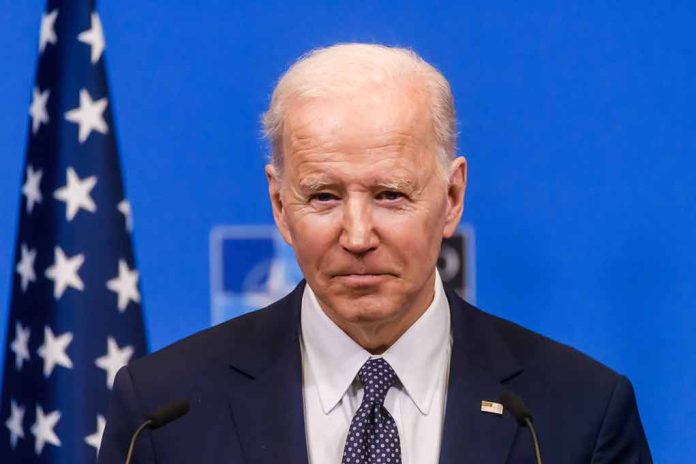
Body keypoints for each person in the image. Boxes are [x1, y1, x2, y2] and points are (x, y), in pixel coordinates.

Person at [98, 43, 651, 463]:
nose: (358, 236)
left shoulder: (577, 414)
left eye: (390, 195)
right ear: (279, 204)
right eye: (323, 196)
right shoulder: (163, 413)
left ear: (452, 198)